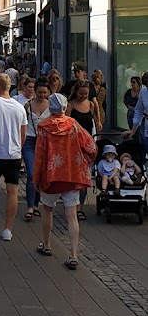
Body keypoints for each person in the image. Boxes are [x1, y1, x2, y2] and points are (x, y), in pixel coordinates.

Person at [33, 92, 97, 269]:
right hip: (71, 174)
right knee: (72, 215)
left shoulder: (43, 127)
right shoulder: (73, 124)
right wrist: (84, 161)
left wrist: (36, 178)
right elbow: (91, 146)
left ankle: (47, 245)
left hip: (51, 175)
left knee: (47, 209)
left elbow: (39, 155)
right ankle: (74, 254)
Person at [0, 74, 27, 241]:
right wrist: (18, 149)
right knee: (12, 192)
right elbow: (23, 133)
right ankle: (8, 229)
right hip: (14, 154)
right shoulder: (20, 107)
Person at [67, 80, 101, 219]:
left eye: (86, 94)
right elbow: (66, 123)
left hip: (86, 145)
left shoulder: (91, 105)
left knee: (85, 175)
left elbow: (93, 121)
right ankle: (72, 205)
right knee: (74, 176)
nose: (83, 96)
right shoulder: (70, 105)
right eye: (81, 93)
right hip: (73, 144)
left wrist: (98, 123)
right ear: (76, 92)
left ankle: (79, 207)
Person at [21, 83, 51, 221]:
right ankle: (30, 207)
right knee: (32, 174)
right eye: (40, 92)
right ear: (35, 91)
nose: (42, 95)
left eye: (45, 92)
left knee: (41, 174)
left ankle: (36, 204)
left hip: (45, 142)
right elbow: (23, 124)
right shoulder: (27, 105)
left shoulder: (51, 106)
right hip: (30, 141)